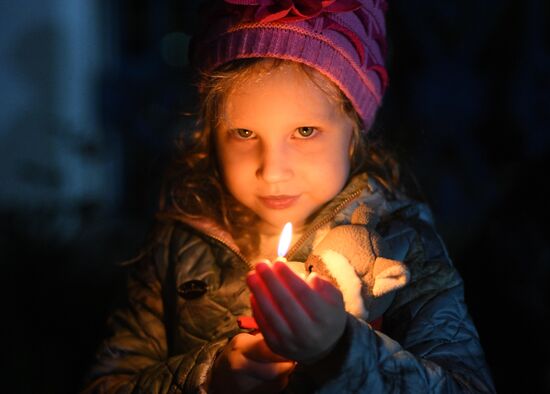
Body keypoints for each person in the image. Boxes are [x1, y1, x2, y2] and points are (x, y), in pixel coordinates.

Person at [82, 0, 495, 392]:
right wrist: (211, 378)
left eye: (304, 132)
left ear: (353, 131)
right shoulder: (179, 246)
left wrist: (341, 350)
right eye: (244, 134)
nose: (273, 171)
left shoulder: (404, 245)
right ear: (211, 135)